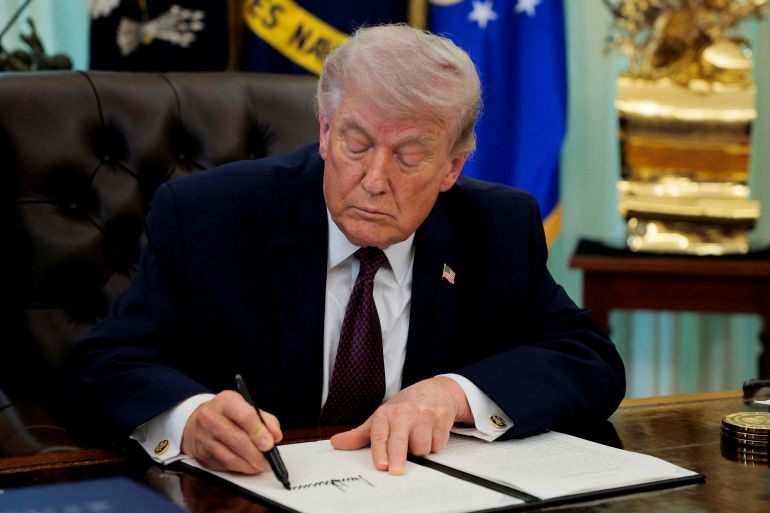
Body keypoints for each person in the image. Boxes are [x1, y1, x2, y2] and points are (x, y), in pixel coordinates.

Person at [67, 24, 625, 477]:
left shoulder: (497, 225)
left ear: (453, 166)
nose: (374, 179)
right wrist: (189, 418)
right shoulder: (210, 216)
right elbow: (106, 363)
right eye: (356, 144)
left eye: (409, 156)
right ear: (326, 129)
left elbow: (588, 359)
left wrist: (452, 395)